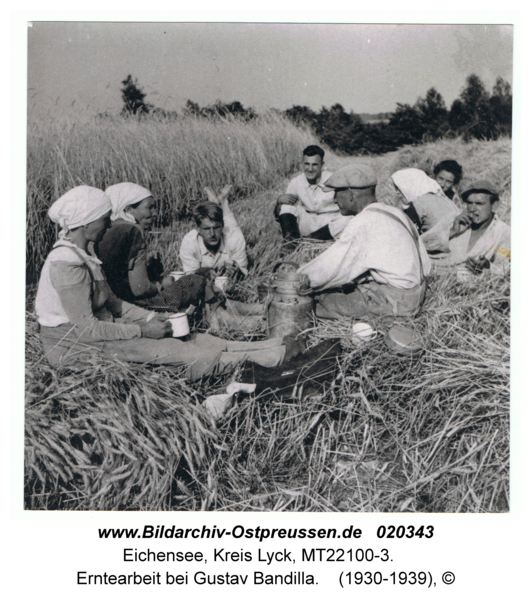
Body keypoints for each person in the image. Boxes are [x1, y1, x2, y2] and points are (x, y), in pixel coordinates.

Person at [35, 186, 303, 380]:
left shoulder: (86, 253)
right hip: (77, 347)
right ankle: (272, 358)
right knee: (175, 351)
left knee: (189, 336)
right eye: (104, 219)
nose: (108, 225)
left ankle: (268, 345)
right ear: (86, 223)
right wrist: (142, 331)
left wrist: (155, 317)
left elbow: (115, 304)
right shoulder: (66, 264)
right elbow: (87, 329)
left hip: (105, 330)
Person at [297, 164, 431, 320]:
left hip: (395, 303)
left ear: (350, 195)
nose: (334, 200)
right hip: (416, 294)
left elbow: (332, 267)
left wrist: (298, 278)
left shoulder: (365, 221)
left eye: (336, 193)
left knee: (315, 302)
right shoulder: (394, 212)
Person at [95, 182, 209, 313]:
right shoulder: (133, 231)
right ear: (128, 209)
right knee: (196, 281)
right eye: (150, 207)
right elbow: (140, 289)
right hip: (133, 305)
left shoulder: (106, 228)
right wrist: (162, 284)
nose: (155, 213)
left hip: (110, 303)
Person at [420, 180, 510, 275]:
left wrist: (487, 267)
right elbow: (419, 245)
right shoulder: (452, 219)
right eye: (470, 203)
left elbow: (504, 269)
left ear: (494, 206)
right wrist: (451, 232)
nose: (472, 209)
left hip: (462, 282)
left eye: (479, 204)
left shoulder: (503, 232)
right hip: (428, 271)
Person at [275, 145, 351, 247]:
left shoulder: (334, 179)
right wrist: (279, 202)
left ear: (322, 165)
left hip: (329, 223)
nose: (310, 169)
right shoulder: (296, 182)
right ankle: (291, 244)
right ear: (302, 164)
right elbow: (279, 213)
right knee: (286, 205)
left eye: (314, 165)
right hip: (308, 222)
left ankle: (309, 241)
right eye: (307, 164)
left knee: (348, 219)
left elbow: (349, 207)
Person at [391, 167, 460, 234]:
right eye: (440, 179)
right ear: (433, 176)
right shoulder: (416, 193)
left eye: (448, 182)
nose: (442, 184)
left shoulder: (451, 200)